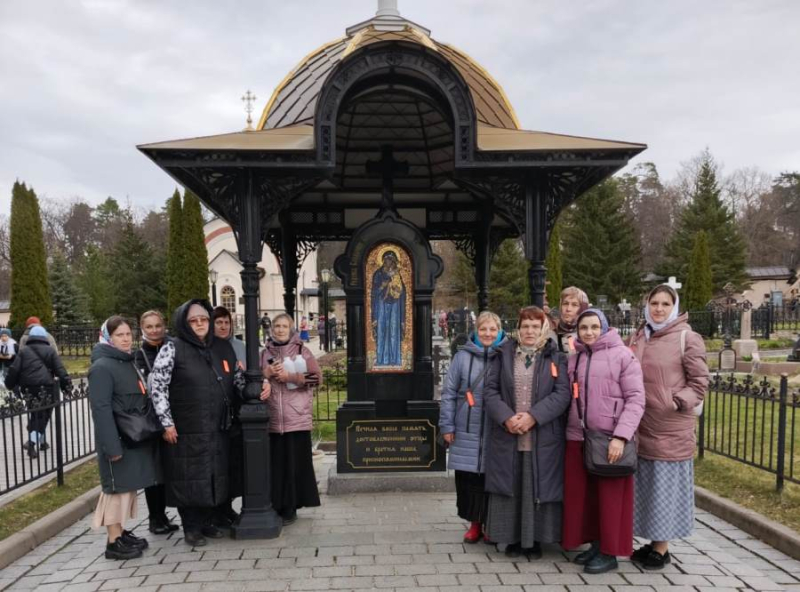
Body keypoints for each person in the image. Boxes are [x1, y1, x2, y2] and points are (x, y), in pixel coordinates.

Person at [149, 299, 268, 546]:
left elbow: (237, 379)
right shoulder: (173, 348)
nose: (200, 324)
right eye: (194, 320)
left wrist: (258, 386)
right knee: (189, 476)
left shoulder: (222, 347)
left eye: (204, 319)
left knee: (214, 473)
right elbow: (158, 386)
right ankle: (191, 527)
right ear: (185, 323)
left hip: (218, 425)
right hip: (187, 427)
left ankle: (209, 520)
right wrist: (166, 422)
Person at [628, 284, 708, 569]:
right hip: (641, 424)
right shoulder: (639, 335)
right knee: (646, 487)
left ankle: (662, 548)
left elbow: (699, 382)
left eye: (665, 304)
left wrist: (675, 401)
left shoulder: (687, 338)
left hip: (669, 426)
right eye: (654, 303)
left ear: (674, 307)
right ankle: (652, 542)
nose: (659, 309)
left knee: (664, 487)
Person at [483, 306, 570, 559]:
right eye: (525, 326)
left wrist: (533, 416)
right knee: (512, 485)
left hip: (541, 435)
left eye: (535, 326)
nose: (529, 331)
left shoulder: (555, 357)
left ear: (543, 328)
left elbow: (562, 394)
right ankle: (512, 539)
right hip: (509, 433)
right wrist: (506, 418)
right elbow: (490, 391)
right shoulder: (503, 355)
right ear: (518, 329)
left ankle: (535, 541)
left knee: (536, 486)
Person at [562, 309, 645, 574]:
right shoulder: (575, 358)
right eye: (583, 327)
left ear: (605, 328)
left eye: (594, 327)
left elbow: (636, 399)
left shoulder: (623, 356)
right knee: (587, 497)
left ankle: (610, 552)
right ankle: (596, 544)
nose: (589, 332)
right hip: (578, 436)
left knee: (611, 498)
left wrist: (621, 436)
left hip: (609, 437)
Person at [88, 316, 160, 560]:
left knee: (127, 486)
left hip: (131, 437)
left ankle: (120, 532)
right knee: (115, 489)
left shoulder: (126, 362)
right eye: (119, 335)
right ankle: (113, 541)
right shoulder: (102, 367)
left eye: (128, 334)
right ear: (108, 338)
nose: (126, 339)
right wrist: (111, 446)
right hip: (117, 439)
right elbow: (101, 409)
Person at [440, 311, 507, 544]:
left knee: (492, 478)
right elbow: (448, 393)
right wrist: (447, 425)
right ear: (476, 331)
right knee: (469, 478)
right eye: (483, 329)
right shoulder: (462, 357)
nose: (488, 334)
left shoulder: (506, 356)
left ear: (499, 331)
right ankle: (474, 523)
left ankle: (491, 523)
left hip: (496, 428)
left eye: (492, 329)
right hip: (467, 427)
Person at [261, 313, 322, 525]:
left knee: (294, 466)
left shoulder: (302, 351)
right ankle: (277, 505)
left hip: (296, 417)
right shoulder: (264, 353)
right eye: (277, 326)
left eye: (284, 326)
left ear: (291, 329)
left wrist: (291, 377)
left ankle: (291, 507)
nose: (280, 330)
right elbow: (253, 378)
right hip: (273, 419)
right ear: (271, 329)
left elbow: (317, 378)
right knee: (277, 466)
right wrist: (266, 373)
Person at [133, 310, 179, 535]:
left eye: (157, 326)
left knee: (171, 468)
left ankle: (165, 515)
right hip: (152, 418)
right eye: (149, 327)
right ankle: (155, 517)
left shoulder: (172, 348)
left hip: (174, 414)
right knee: (155, 471)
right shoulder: (138, 355)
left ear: (164, 325)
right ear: (142, 329)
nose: (154, 330)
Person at [5, 325, 70, 458]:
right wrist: (66, 387)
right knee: (43, 416)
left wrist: (9, 384)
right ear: (44, 337)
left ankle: (34, 437)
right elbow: (60, 371)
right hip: (46, 387)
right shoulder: (50, 351)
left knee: (35, 414)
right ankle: (32, 441)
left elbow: (14, 369)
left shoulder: (24, 351)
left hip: (28, 388)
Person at [212, 305, 247, 530]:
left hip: (237, 410)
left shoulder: (239, 346)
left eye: (226, 322)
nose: (223, 326)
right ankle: (217, 509)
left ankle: (227, 507)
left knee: (234, 462)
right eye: (219, 323)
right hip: (217, 412)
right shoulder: (208, 348)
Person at [371, 250, 406, 366]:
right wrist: (382, 286)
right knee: (382, 331)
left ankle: (395, 359)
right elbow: (374, 292)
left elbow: (402, 292)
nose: (389, 262)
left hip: (395, 304)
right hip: (381, 304)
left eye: (391, 260)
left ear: (394, 261)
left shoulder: (397, 274)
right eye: (386, 259)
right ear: (383, 260)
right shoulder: (378, 274)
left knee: (393, 330)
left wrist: (397, 290)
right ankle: (382, 359)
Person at [553, 287, 589, 355]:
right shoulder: (550, 336)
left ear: (583, 309)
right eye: (565, 304)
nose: (568, 309)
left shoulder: (589, 336)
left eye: (574, 305)